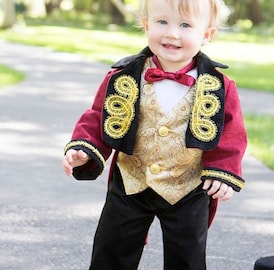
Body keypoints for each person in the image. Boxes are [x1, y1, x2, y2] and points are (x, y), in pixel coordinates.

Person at [62, 0, 247, 269]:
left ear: (206, 35)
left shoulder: (218, 85)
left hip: (188, 185)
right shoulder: (124, 76)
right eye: (162, 22)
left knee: (188, 256)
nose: (172, 33)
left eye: (185, 25)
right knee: (112, 249)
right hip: (131, 179)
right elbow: (99, 117)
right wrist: (85, 148)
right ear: (146, 25)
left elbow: (231, 132)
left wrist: (223, 170)